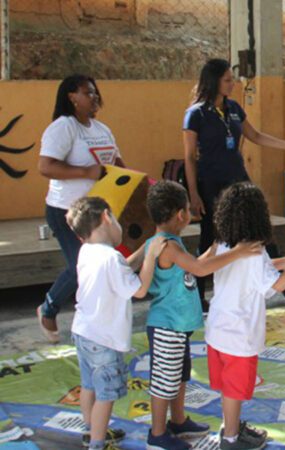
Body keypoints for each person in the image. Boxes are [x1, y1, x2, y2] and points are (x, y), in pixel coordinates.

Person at [206, 182, 285, 450]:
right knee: (234, 390)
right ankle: (230, 438)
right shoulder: (253, 252)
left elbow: (264, 271)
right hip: (238, 334)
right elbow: (276, 285)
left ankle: (233, 427)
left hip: (218, 328)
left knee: (230, 388)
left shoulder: (225, 244)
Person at [143, 180, 261, 450]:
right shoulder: (167, 246)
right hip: (166, 327)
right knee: (164, 382)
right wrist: (239, 253)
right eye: (187, 209)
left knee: (179, 375)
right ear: (180, 215)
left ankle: (178, 420)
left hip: (178, 328)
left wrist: (218, 248)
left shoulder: (171, 242)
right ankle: (158, 434)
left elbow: (200, 262)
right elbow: (198, 269)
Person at [182, 58, 285, 302]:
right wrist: (193, 195)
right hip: (211, 183)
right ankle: (197, 297)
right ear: (213, 81)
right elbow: (189, 157)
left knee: (261, 226)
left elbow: (256, 136)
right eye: (227, 80)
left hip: (238, 180)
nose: (233, 84)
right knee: (210, 236)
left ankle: (280, 281)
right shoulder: (195, 114)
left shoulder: (233, 108)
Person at [67, 197, 164, 449]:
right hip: (104, 339)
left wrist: (143, 249)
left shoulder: (88, 251)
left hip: (83, 332)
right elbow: (140, 290)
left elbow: (122, 269)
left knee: (89, 386)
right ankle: (98, 442)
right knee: (106, 396)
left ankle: (91, 430)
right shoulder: (111, 258)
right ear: (107, 217)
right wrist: (151, 257)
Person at [37, 74, 126, 343]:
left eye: (95, 92)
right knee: (80, 265)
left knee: (99, 267)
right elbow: (45, 166)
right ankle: (48, 307)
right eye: (88, 92)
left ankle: (98, 321)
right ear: (71, 98)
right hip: (65, 210)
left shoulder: (102, 129)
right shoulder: (63, 128)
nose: (95, 97)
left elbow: (117, 162)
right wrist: (85, 171)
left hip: (97, 213)